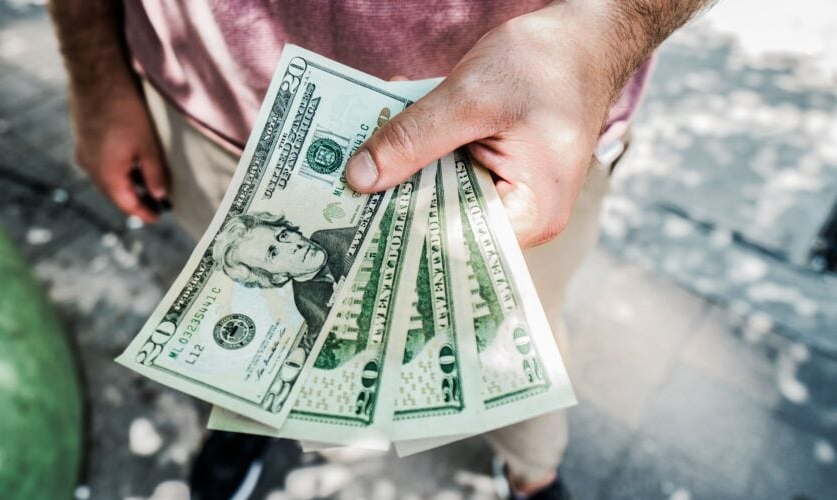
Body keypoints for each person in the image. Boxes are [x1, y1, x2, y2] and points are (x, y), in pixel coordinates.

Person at [48, 1, 714, 498]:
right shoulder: (281, 282)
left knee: (520, 345)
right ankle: (245, 422)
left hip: (515, 134)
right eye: (271, 254)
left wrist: (606, 30)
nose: (281, 242)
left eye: (274, 240)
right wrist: (97, 76)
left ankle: (532, 470)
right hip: (215, 110)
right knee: (259, 346)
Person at [211, 211, 356, 338]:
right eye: (274, 254)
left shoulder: (329, 239)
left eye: (283, 235)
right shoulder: (304, 299)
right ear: (277, 277)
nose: (294, 246)